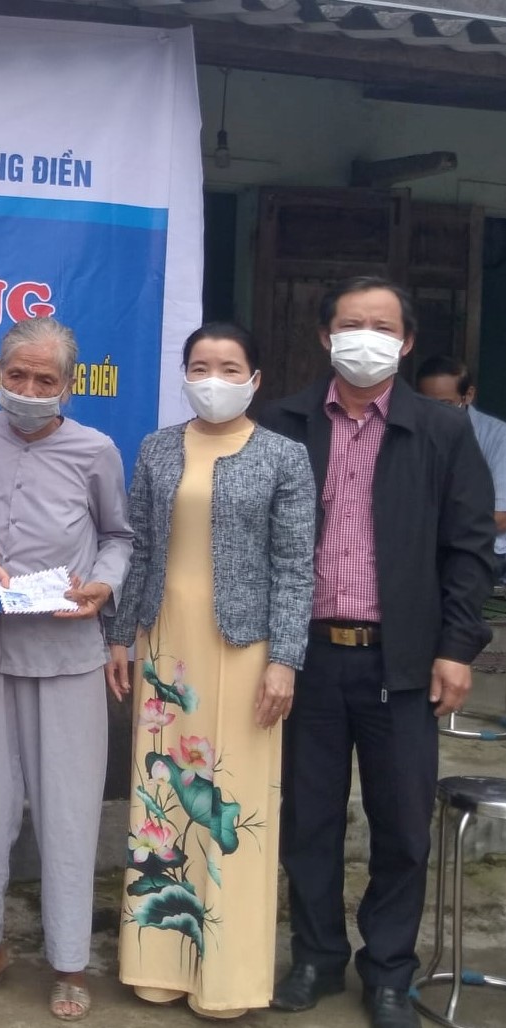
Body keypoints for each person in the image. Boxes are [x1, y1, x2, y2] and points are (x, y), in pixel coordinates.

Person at [260, 277, 494, 1028]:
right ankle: (315, 957)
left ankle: (390, 971)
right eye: (351, 324)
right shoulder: (283, 423)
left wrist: (456, 646)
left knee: (401, 826)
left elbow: (468, 548)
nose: (366, 337)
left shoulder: (440, 430)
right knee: (308, 821)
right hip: (307, 656)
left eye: (382, 326)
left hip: (403, 661)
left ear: (406, 341)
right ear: (325, 336)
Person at [105, 323, 316, 1018]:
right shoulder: (158, 448)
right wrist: (120, 636)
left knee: (234, 804)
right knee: (162, 803)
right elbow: (139, 546)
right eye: (200, 366)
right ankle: (158, 963)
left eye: (228, 367)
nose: (213, 379)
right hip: (166, 646)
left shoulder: (284, 455)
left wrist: (284, 661)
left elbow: (295, 567)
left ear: (255, 379)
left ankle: (226, 977)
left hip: (244, 649)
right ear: (184, 374)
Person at [0, 317, 132, 1022]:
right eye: (16, 375)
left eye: (43, 379)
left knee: (68, 812)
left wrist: (103, 585)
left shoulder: (95, 450)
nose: (27, 389)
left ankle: (70, 961)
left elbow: (118, 535)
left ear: (67, 387)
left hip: (66, 654)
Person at [416, 354, 506, 581]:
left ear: (468, 396)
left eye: (445, 404)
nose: (436, 411)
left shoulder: (498, 436)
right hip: (424, 548)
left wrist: (436, 534)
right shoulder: (410, 433)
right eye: (427, 403)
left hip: (483, 549)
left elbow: (501, 517)